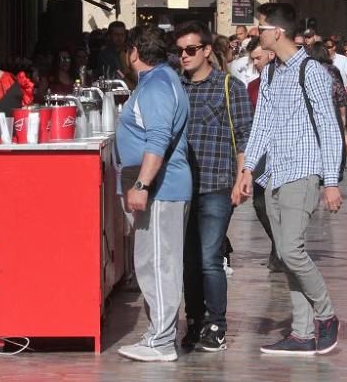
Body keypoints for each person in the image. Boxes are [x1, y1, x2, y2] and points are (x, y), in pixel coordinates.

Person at [233, 3, 341, 356]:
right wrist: (248, 169)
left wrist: (331, 180)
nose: (256, 33)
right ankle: (301, 331)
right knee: (284, 251)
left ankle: (326, 315)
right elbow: (261, 123)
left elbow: (328, 126)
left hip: (303, 170)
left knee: (292, 251)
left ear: (276, 32)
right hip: (273, 173)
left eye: (260, 27)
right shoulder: (269, 74)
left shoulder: (311, 71)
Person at [115, 25, 191, 363]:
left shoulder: (158, 85)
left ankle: (161, 340)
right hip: (160, 187)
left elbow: (158, 139)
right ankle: (157, 332)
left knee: (158, 263)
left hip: (162, 188)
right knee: (151, 261)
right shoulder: (158, 81)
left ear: (134, 51)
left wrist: (142, 185)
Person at [175, 22, 253, 352]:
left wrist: (241, 178)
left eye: (191, 50)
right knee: (188, 259)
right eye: (180, 51)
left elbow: (244, 137)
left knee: (209, 257)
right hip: (181, 188)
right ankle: (194, 320)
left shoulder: (228, 87)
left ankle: (216, 323)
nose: (184, 56)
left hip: (217, 185)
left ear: (206, 50)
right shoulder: (175, 87)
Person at [244, 37, 280, 271]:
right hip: (260, 152)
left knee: (280, 202)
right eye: (252, 59)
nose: (255, 63)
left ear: (271, 55)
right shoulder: (253, 86)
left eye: (258, 58)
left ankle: (284, 248)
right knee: (259, 203)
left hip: (284, 151)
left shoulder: (286, 82)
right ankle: (279, 243)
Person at [309, 43, 347, 169]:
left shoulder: (307, 70)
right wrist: (343, 118)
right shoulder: (332, 70)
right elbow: (340, 94)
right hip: (331, 110)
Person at [97, 20, 134, 87]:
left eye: (122, 34)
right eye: (116, 34)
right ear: (110, 35)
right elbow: (118, 72)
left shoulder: (129, 51)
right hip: (114, 89)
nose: (119, 38)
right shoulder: (106, 54)